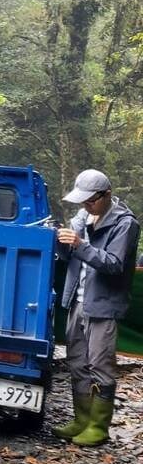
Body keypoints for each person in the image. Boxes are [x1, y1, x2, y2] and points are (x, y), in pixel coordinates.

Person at [55, 169, 140, 446]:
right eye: (83, 201)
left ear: (106, 195)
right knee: (77, 362)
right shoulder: (81, 217)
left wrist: (79, 244)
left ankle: (98, 426)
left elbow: (114, 264)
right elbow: (68, 256)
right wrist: (61, 242)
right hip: (77, 301)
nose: (86, 205)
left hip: (103, 305)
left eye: (91, 201)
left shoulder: (125, 224)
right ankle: (81, 419)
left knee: (100, 365)